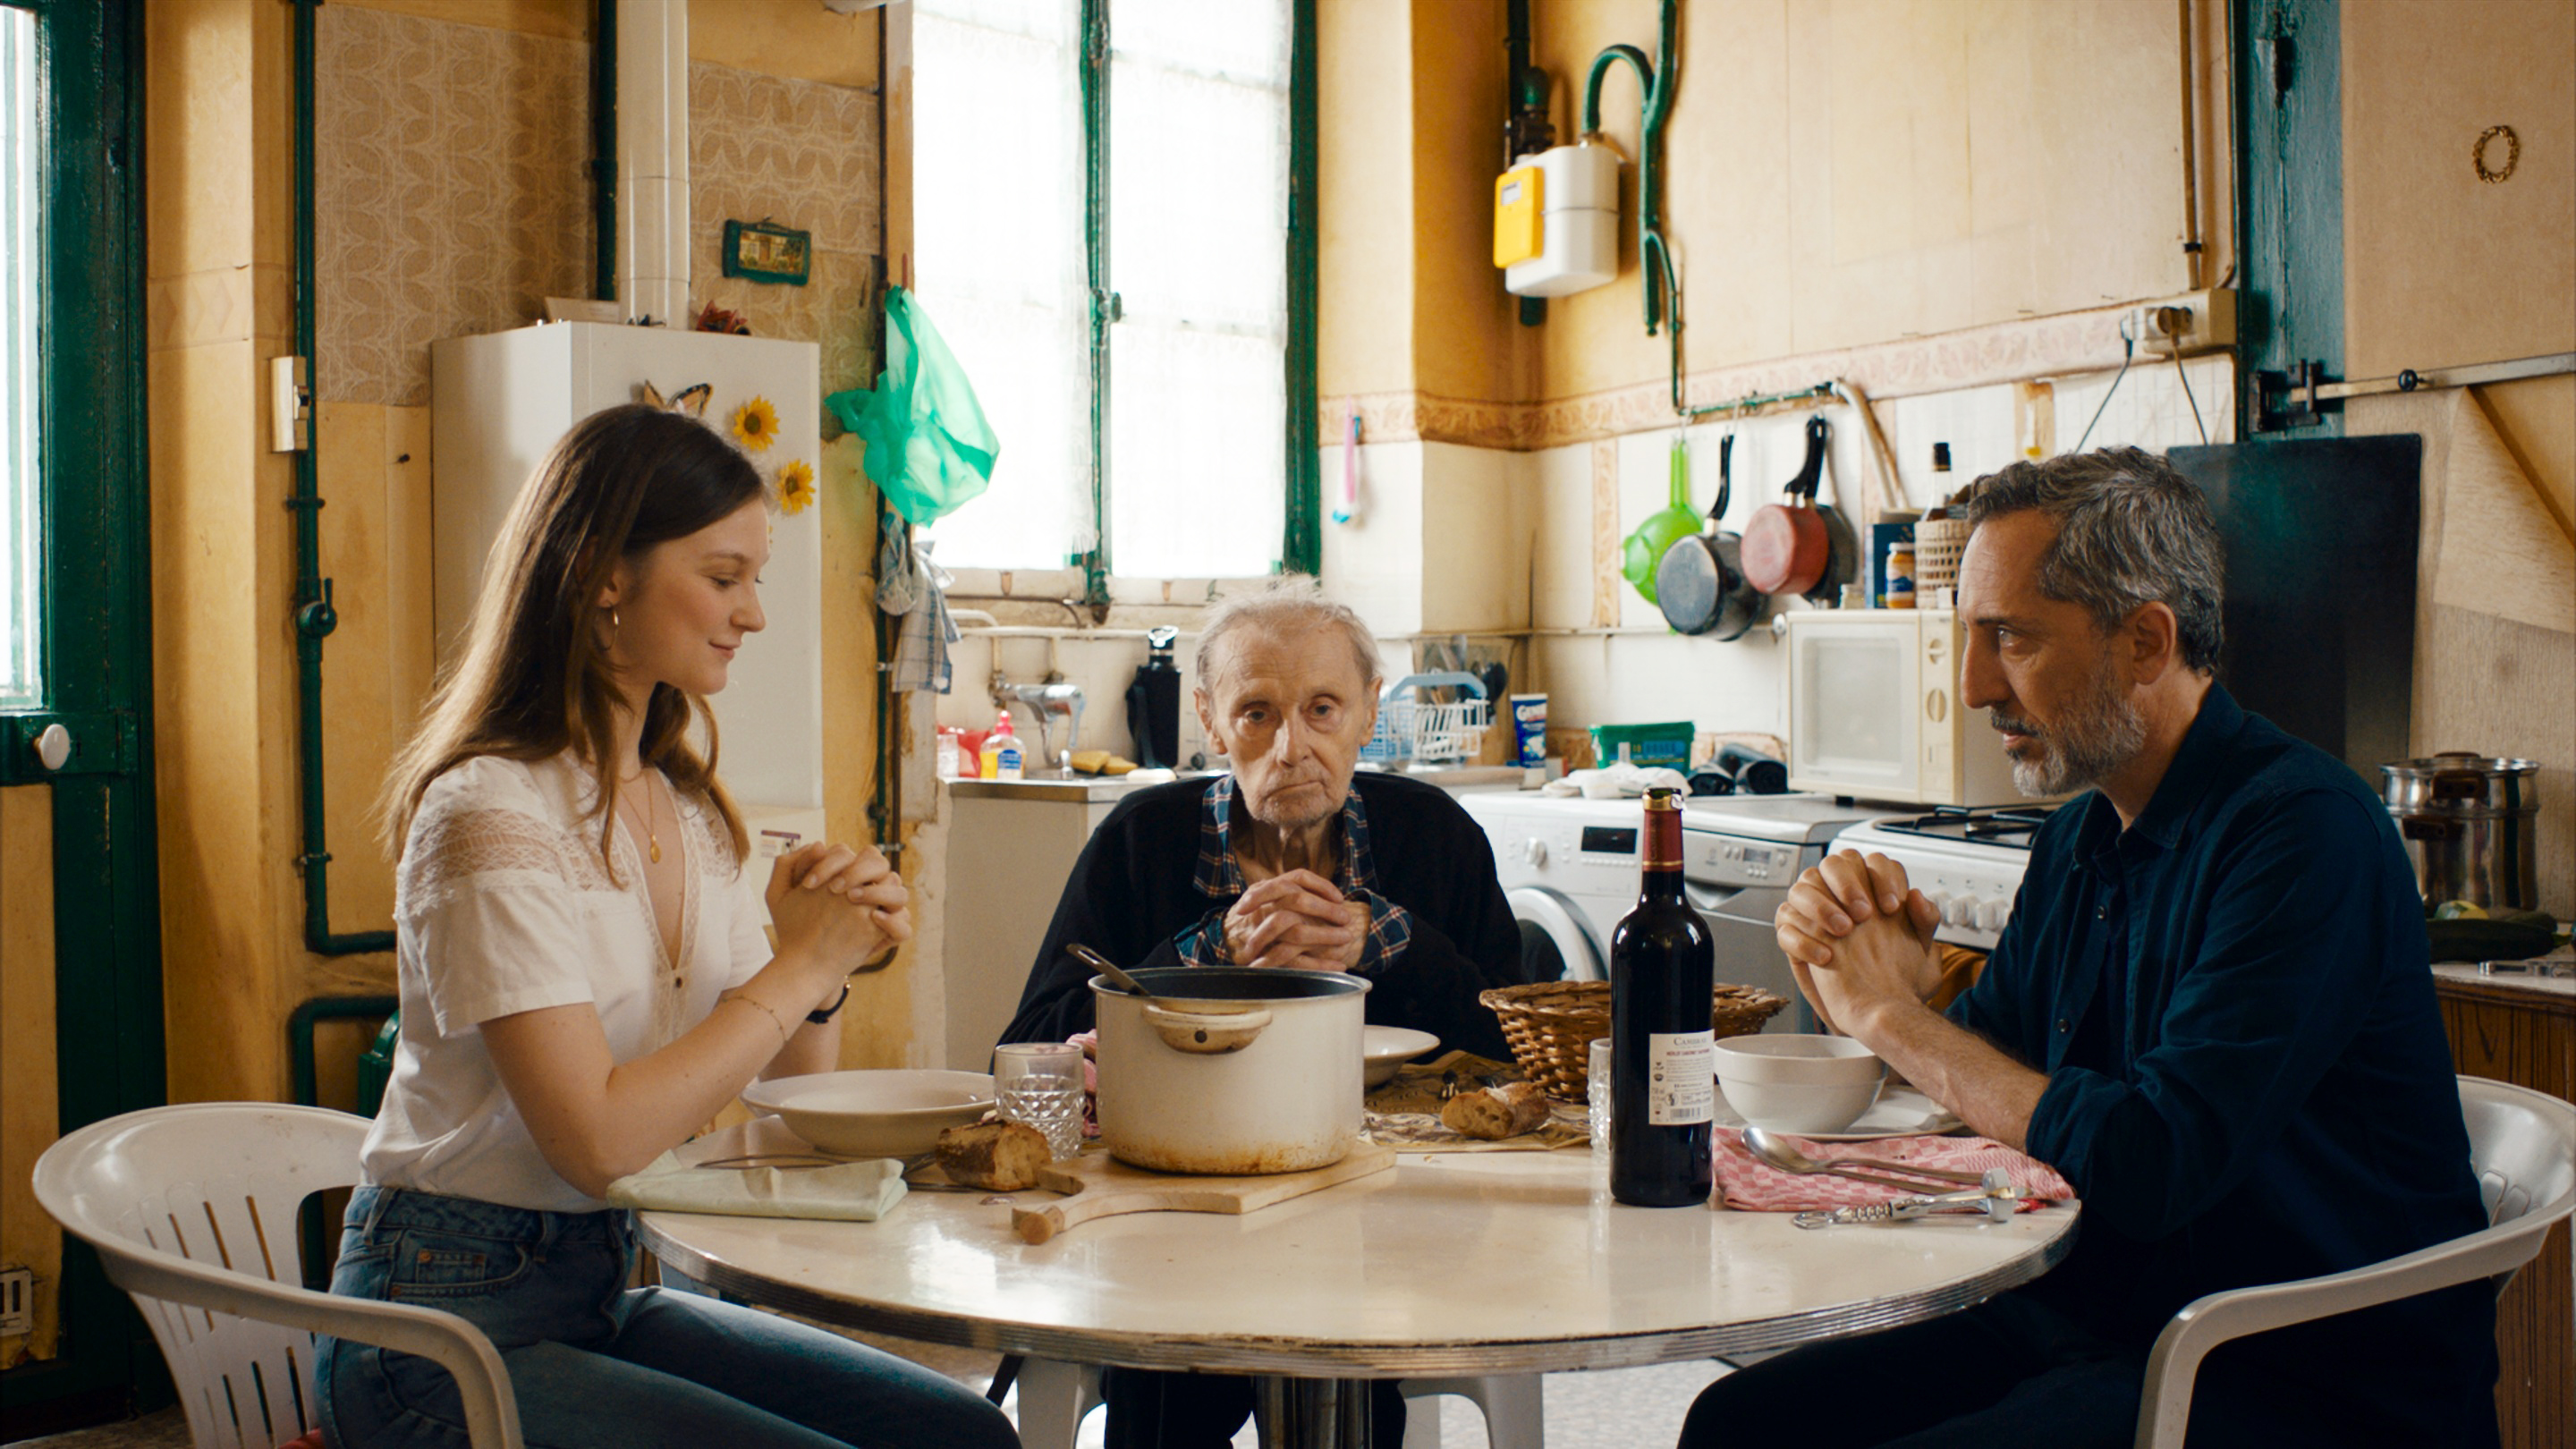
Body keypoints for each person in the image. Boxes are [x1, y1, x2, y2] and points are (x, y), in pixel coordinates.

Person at [1681, 448, 2496, 1449]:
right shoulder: (2079, 835)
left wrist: (1891, 1020)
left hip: (2290, 1369)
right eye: (1969, 637)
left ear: (2146, 641)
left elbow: (2151, 1166)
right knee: (1739, 1423)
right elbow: (1990, 1093)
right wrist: (1893, 986)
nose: (1974, 685)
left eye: (2010, 637)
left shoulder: (2304, 834)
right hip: (2093, 1319)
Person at [314, 405, 1018, 1449]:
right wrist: (799, 966)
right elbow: (597, 1143)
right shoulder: (489, 811)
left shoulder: (685, 809)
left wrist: (825, 961)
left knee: (962, 1436)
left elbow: (794, 1091)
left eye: (755, 580)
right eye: (724, 577)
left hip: (597, 1292)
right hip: (436, 1333)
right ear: (604, 575)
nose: (754, 615)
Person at [997, 577, 1530, 1449]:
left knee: (1350, 1368)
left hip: (1386, 1210)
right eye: (1256, 714)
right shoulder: (1141, 839)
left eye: (1322, 710)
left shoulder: (1432, 835)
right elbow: (1028, 1046)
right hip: (1175, 1208)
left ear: (1369, 713)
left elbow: (1515, 1047)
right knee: (1171, 1388)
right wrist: (1204, 953)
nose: (1291, 749)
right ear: (1210, 721)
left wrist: (1388, 940)